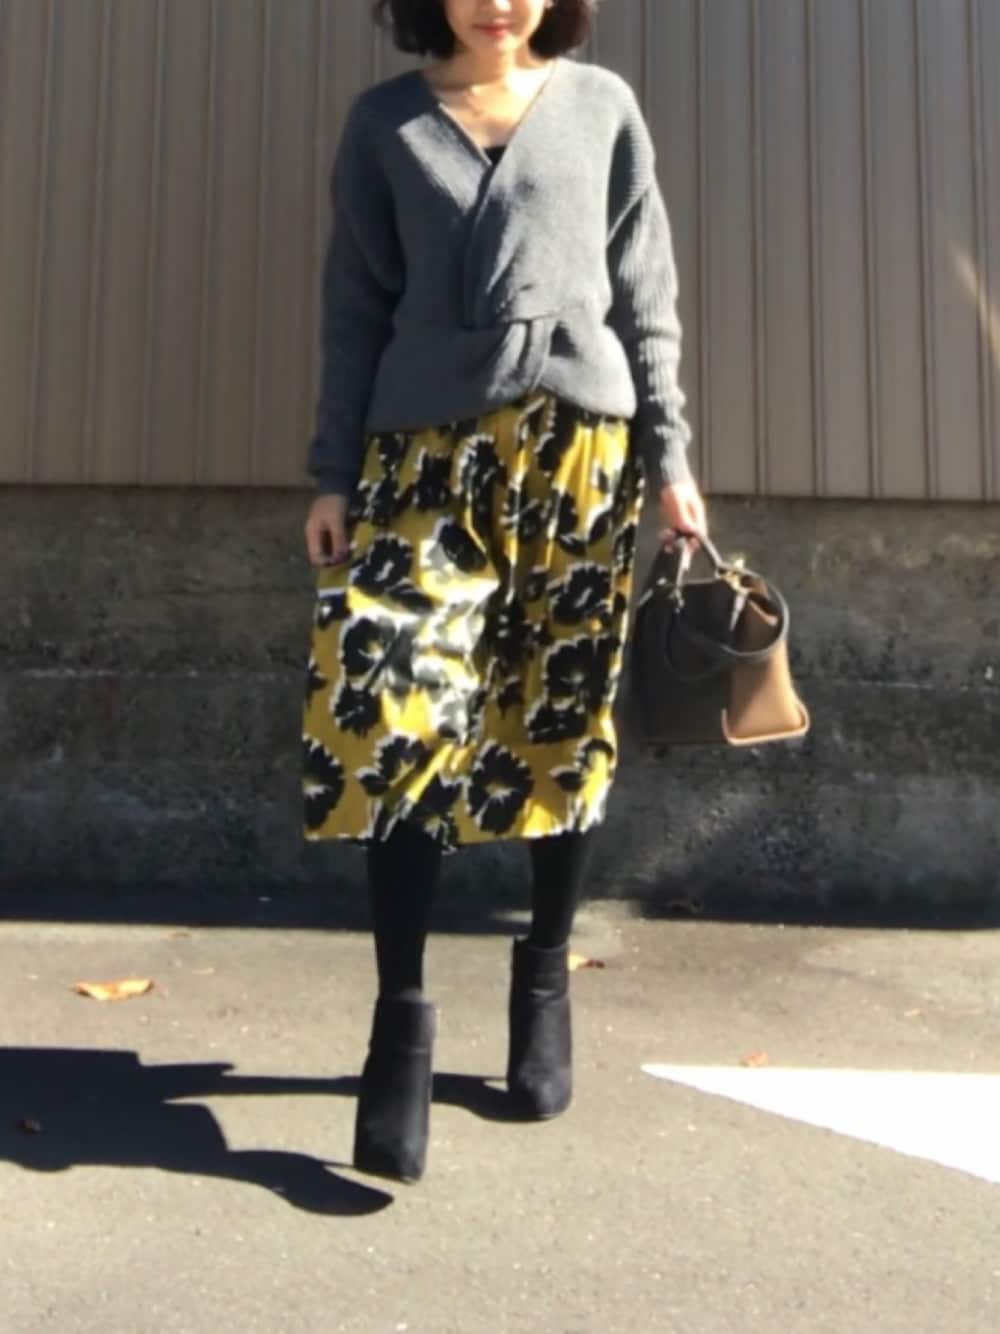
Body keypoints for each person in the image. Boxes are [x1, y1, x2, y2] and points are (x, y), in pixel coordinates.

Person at [301, 0, 709, 1184]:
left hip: (576, 452)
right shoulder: (385, 124)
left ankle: (542, 984)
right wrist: (332, 473)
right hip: (419, 460)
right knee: (391, 719)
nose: (499, 0)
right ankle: (399, 1025)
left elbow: (645, 295)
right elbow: (352, 311)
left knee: (557, 719)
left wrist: (670, 460)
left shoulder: (601, 108)